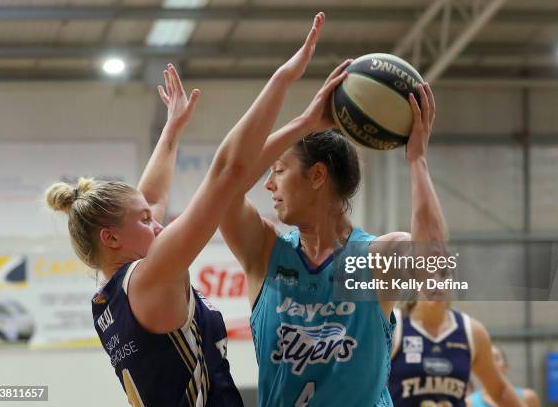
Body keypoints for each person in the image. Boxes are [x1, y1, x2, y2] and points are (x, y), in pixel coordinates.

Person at [45, 12, 341, 407]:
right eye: (146, 221)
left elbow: (148, 200)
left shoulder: (109, 296)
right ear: (111, 237)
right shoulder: (152, 276)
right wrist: (290, 91)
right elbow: (228, 172)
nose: (157, 222)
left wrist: (172, 130)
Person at [219, 61, 446, 403]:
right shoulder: (264, 251)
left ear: (317, 176)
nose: (268, 185)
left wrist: (417, 160)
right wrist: (304, 123)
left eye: (279, 171)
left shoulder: (376, 259)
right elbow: (223, 183)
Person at [390, 301, 527, 407]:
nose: (436, 281)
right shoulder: (393, 323)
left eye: (443, 274)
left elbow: (500, 391)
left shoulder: (471, 331)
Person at [467, 345, 540, 407]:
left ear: (506, 366)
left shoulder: (528, 397)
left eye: (496, 358)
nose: (491, 364)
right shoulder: (469, 403)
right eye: (487, 360)